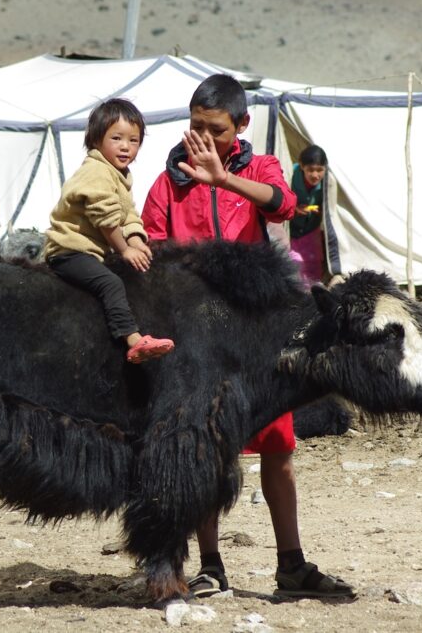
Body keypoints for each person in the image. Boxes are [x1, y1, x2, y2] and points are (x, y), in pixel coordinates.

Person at [141, 74, 354, 599]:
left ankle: (292, 564)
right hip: (199, 340)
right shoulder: (169, 181)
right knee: (209, 451)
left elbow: (281, 205)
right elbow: (152, 249)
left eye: (215, 129)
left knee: (279, 449)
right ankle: (211, 565)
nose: (204, 138)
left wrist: (222, 180)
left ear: (241, 125)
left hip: (257, 337)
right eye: (195, 127)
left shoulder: (257, 168)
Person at [44, 98, 175, 364]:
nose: (126, 147)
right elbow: (105, 217)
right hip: (70, 252)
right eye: (117, 138)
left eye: (134, 140)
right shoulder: (96, 171)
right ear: (95, 140)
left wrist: (137, 240)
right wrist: (124, 249)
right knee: (110, 283)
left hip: (93, 252)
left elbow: (127, 213)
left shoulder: (119, 174)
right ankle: (132, 339)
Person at [289, 144, 328, 286]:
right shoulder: (290, 174)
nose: (315, 175)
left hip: (311, 230)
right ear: (301, 166)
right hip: (292, 230)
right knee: (293, 265)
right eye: (310, 170)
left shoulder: (328, 182)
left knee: (313, 266)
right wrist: (294, 209)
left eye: (319, 170)